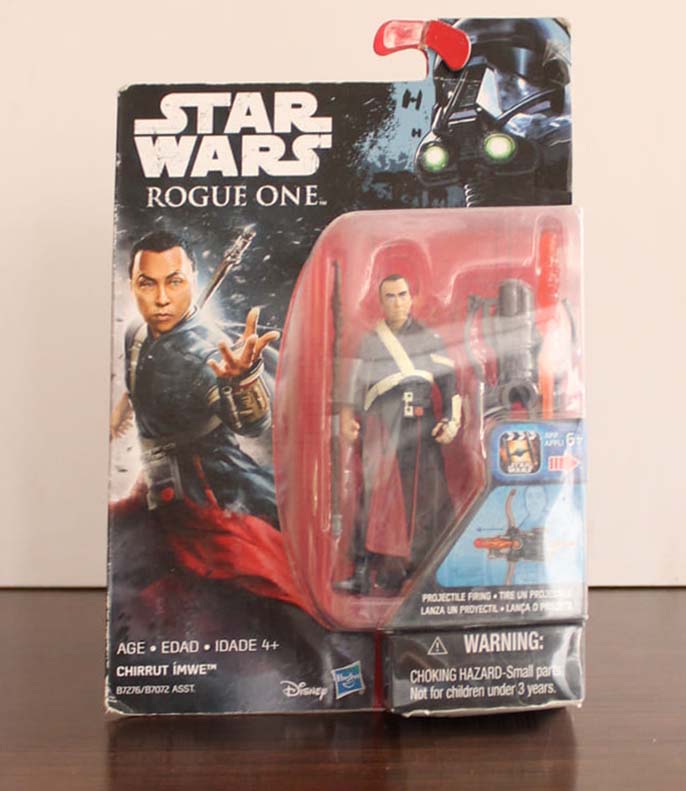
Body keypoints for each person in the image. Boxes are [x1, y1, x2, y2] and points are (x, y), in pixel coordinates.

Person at [110, 229, 311, 612]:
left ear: (192, 280)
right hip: (156, 488)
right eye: (148, 284)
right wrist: (123, 409)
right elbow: (140, 377)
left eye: (174, 282)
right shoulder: (136, 332)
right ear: (133, 284)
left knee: (267, 585)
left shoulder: (204, 353)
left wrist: (241, 380)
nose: (162, 298)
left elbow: (252, 422)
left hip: (211, 491)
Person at [335, 274, 461, 594]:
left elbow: (449, 384)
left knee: (428, 494)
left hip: (421, 425)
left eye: (402, 294)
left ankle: (428, 567)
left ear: (411, 297)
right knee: (374, 495)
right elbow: (353, 383)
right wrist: (347, 417)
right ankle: (363, 569)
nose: (397, 302)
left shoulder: (429, 337)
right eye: (390, 296)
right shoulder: (370, 341)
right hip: (382, 423)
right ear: (381, 301)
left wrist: (452, 419)